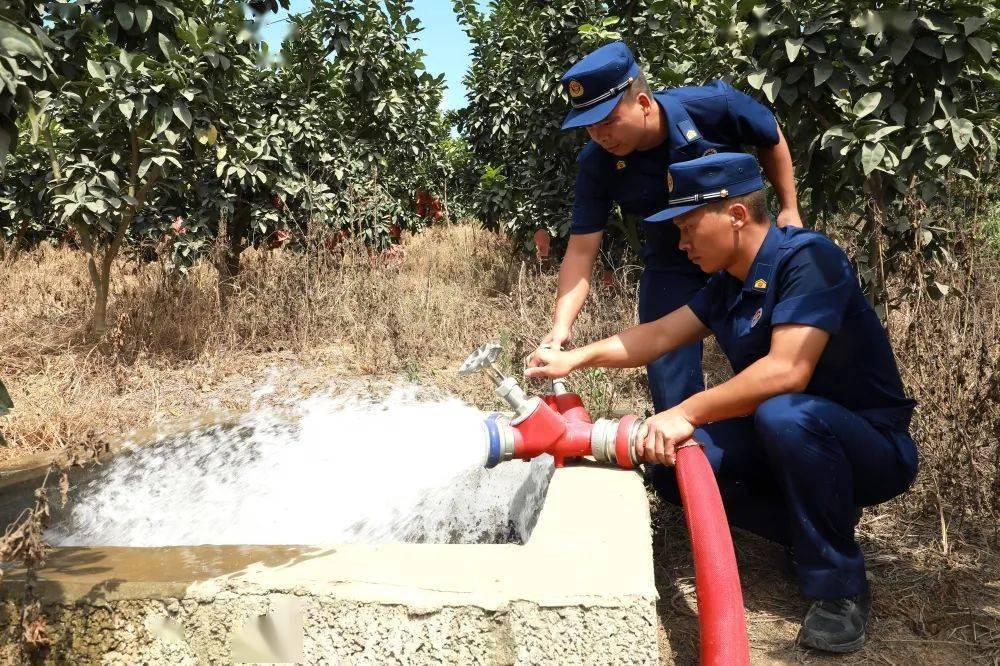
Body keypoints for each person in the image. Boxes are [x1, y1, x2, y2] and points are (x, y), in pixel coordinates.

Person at [527, 152, 919, 654]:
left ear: (736, 216)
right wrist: (572, 359)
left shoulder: (810, 259)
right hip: (787, 438)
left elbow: (787, 371)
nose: (681, 242)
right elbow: (660, 334)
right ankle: (810, 528)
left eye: (689, 227)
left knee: (784, 412)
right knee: (672, 465)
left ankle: (839, 587)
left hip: (870, 447)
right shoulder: (730, 283)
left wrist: (687, 410)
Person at [545, 41, 801, 417]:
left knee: (765, 368)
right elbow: (582, 250)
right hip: (672, 261)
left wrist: (790, 208)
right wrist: (561, 327)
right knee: (669, 374)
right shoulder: (596, 163)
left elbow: (770, 135)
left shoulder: (713, 105)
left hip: (740, 256)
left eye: (608, 120)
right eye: (589, 128)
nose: (600, 135)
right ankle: (679, 464)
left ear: (644, 103)